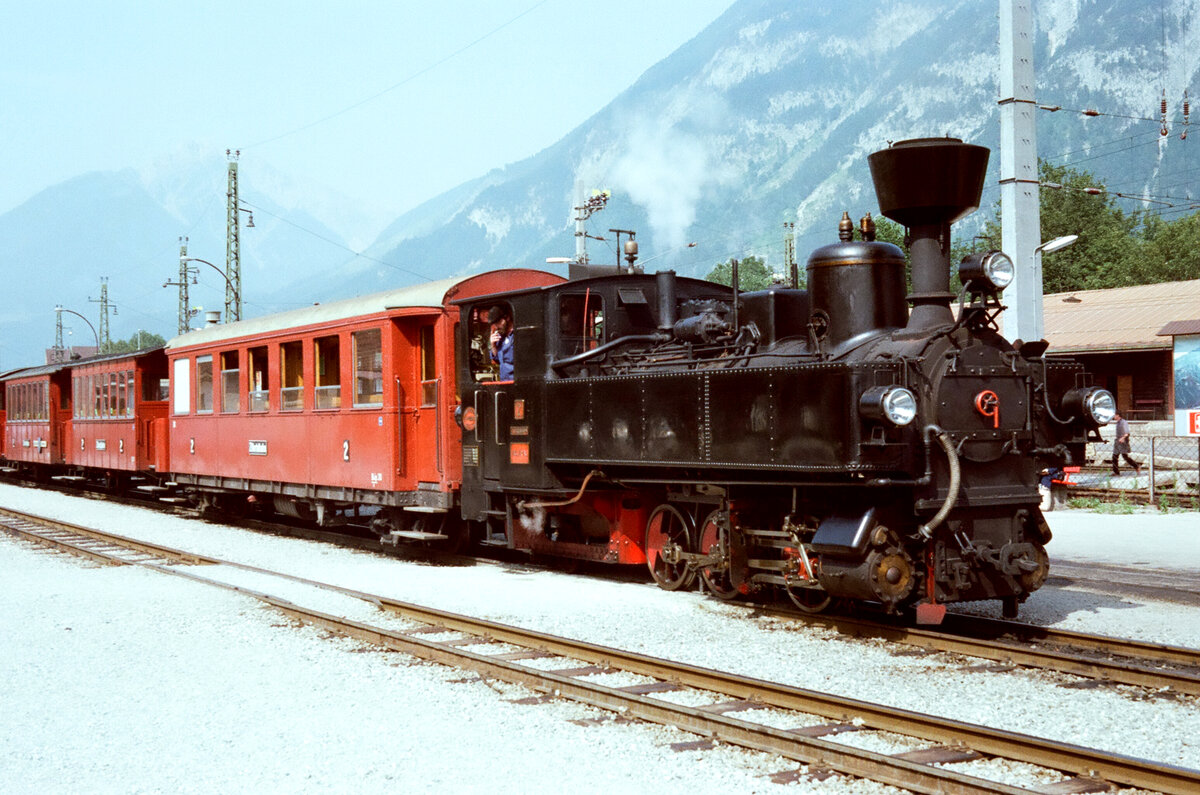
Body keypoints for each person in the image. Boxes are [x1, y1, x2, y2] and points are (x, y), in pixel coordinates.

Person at [488, 305, 514, 381]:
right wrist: (493, 345)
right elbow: (497, 360)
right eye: (495, 324)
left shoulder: (517, 335)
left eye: (498, 322)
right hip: (504, 382)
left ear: (507, 318)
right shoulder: (501, 337)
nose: (497, 326)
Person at [1110, 411, 1140, 476]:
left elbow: (1127, 433)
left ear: (1118, 415)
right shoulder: (1118, 423)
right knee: (1114, 456)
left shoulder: (1124, 422)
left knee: (1125, 456)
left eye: (1114, 415)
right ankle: (1116, 471)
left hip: (1122, 441)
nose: (1113, 417)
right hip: (1117, 441)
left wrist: (1123, 438)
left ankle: (1136, 466)